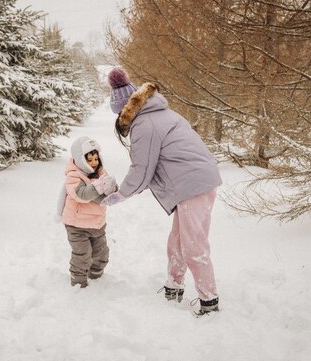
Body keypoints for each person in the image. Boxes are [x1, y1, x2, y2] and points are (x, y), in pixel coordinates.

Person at [102, 67, 222, 316]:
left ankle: (209, 302)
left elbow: (141, 170)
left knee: (193, 245)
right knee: (177, 241)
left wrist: (118, 195)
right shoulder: (163, 113)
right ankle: (173, 286)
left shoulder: (145, 124)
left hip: (193, 184)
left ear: (125, 110)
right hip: (197, 182)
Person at [57, 136, 118, 288]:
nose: (94, 162)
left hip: (97, 224)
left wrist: (112, 187)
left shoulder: (100, 173)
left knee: (101, 253)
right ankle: (78, 283)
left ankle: (96, 276)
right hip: (77, 226)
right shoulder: (73, 176)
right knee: (82, 254)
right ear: (80, 159)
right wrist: (99, 185)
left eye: (96, 158)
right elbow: (82, 195)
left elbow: (108, 194)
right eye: (89, 159)